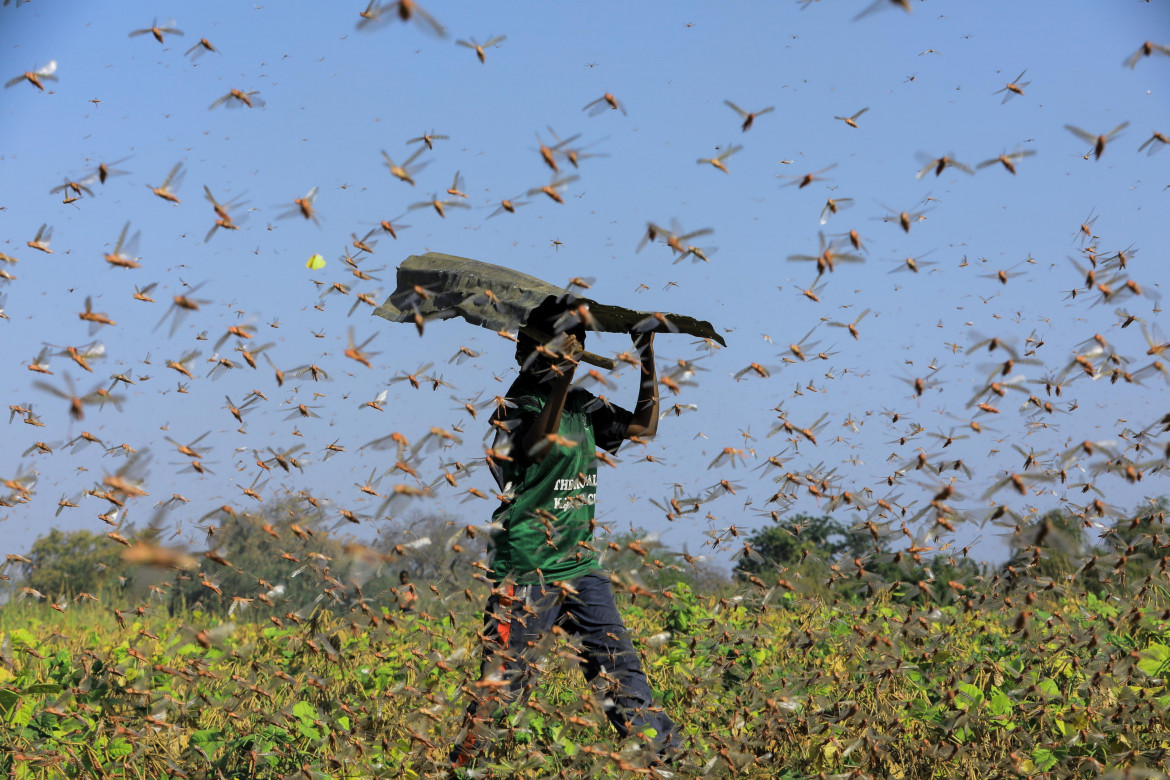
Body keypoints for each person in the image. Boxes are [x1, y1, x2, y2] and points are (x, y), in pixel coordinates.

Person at [448, 295, 679, 775]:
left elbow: (643, 426)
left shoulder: (581, 403)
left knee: (620, 669)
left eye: (579, 344)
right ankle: (460, 768)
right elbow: (534, 450)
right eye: (564, 344)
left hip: (579, 566)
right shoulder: (514, 404)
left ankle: (666, 760)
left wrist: (647, 356)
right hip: (526, 569)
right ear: (527, 353)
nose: (572, 351)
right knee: (502, 686)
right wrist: (564, 379)